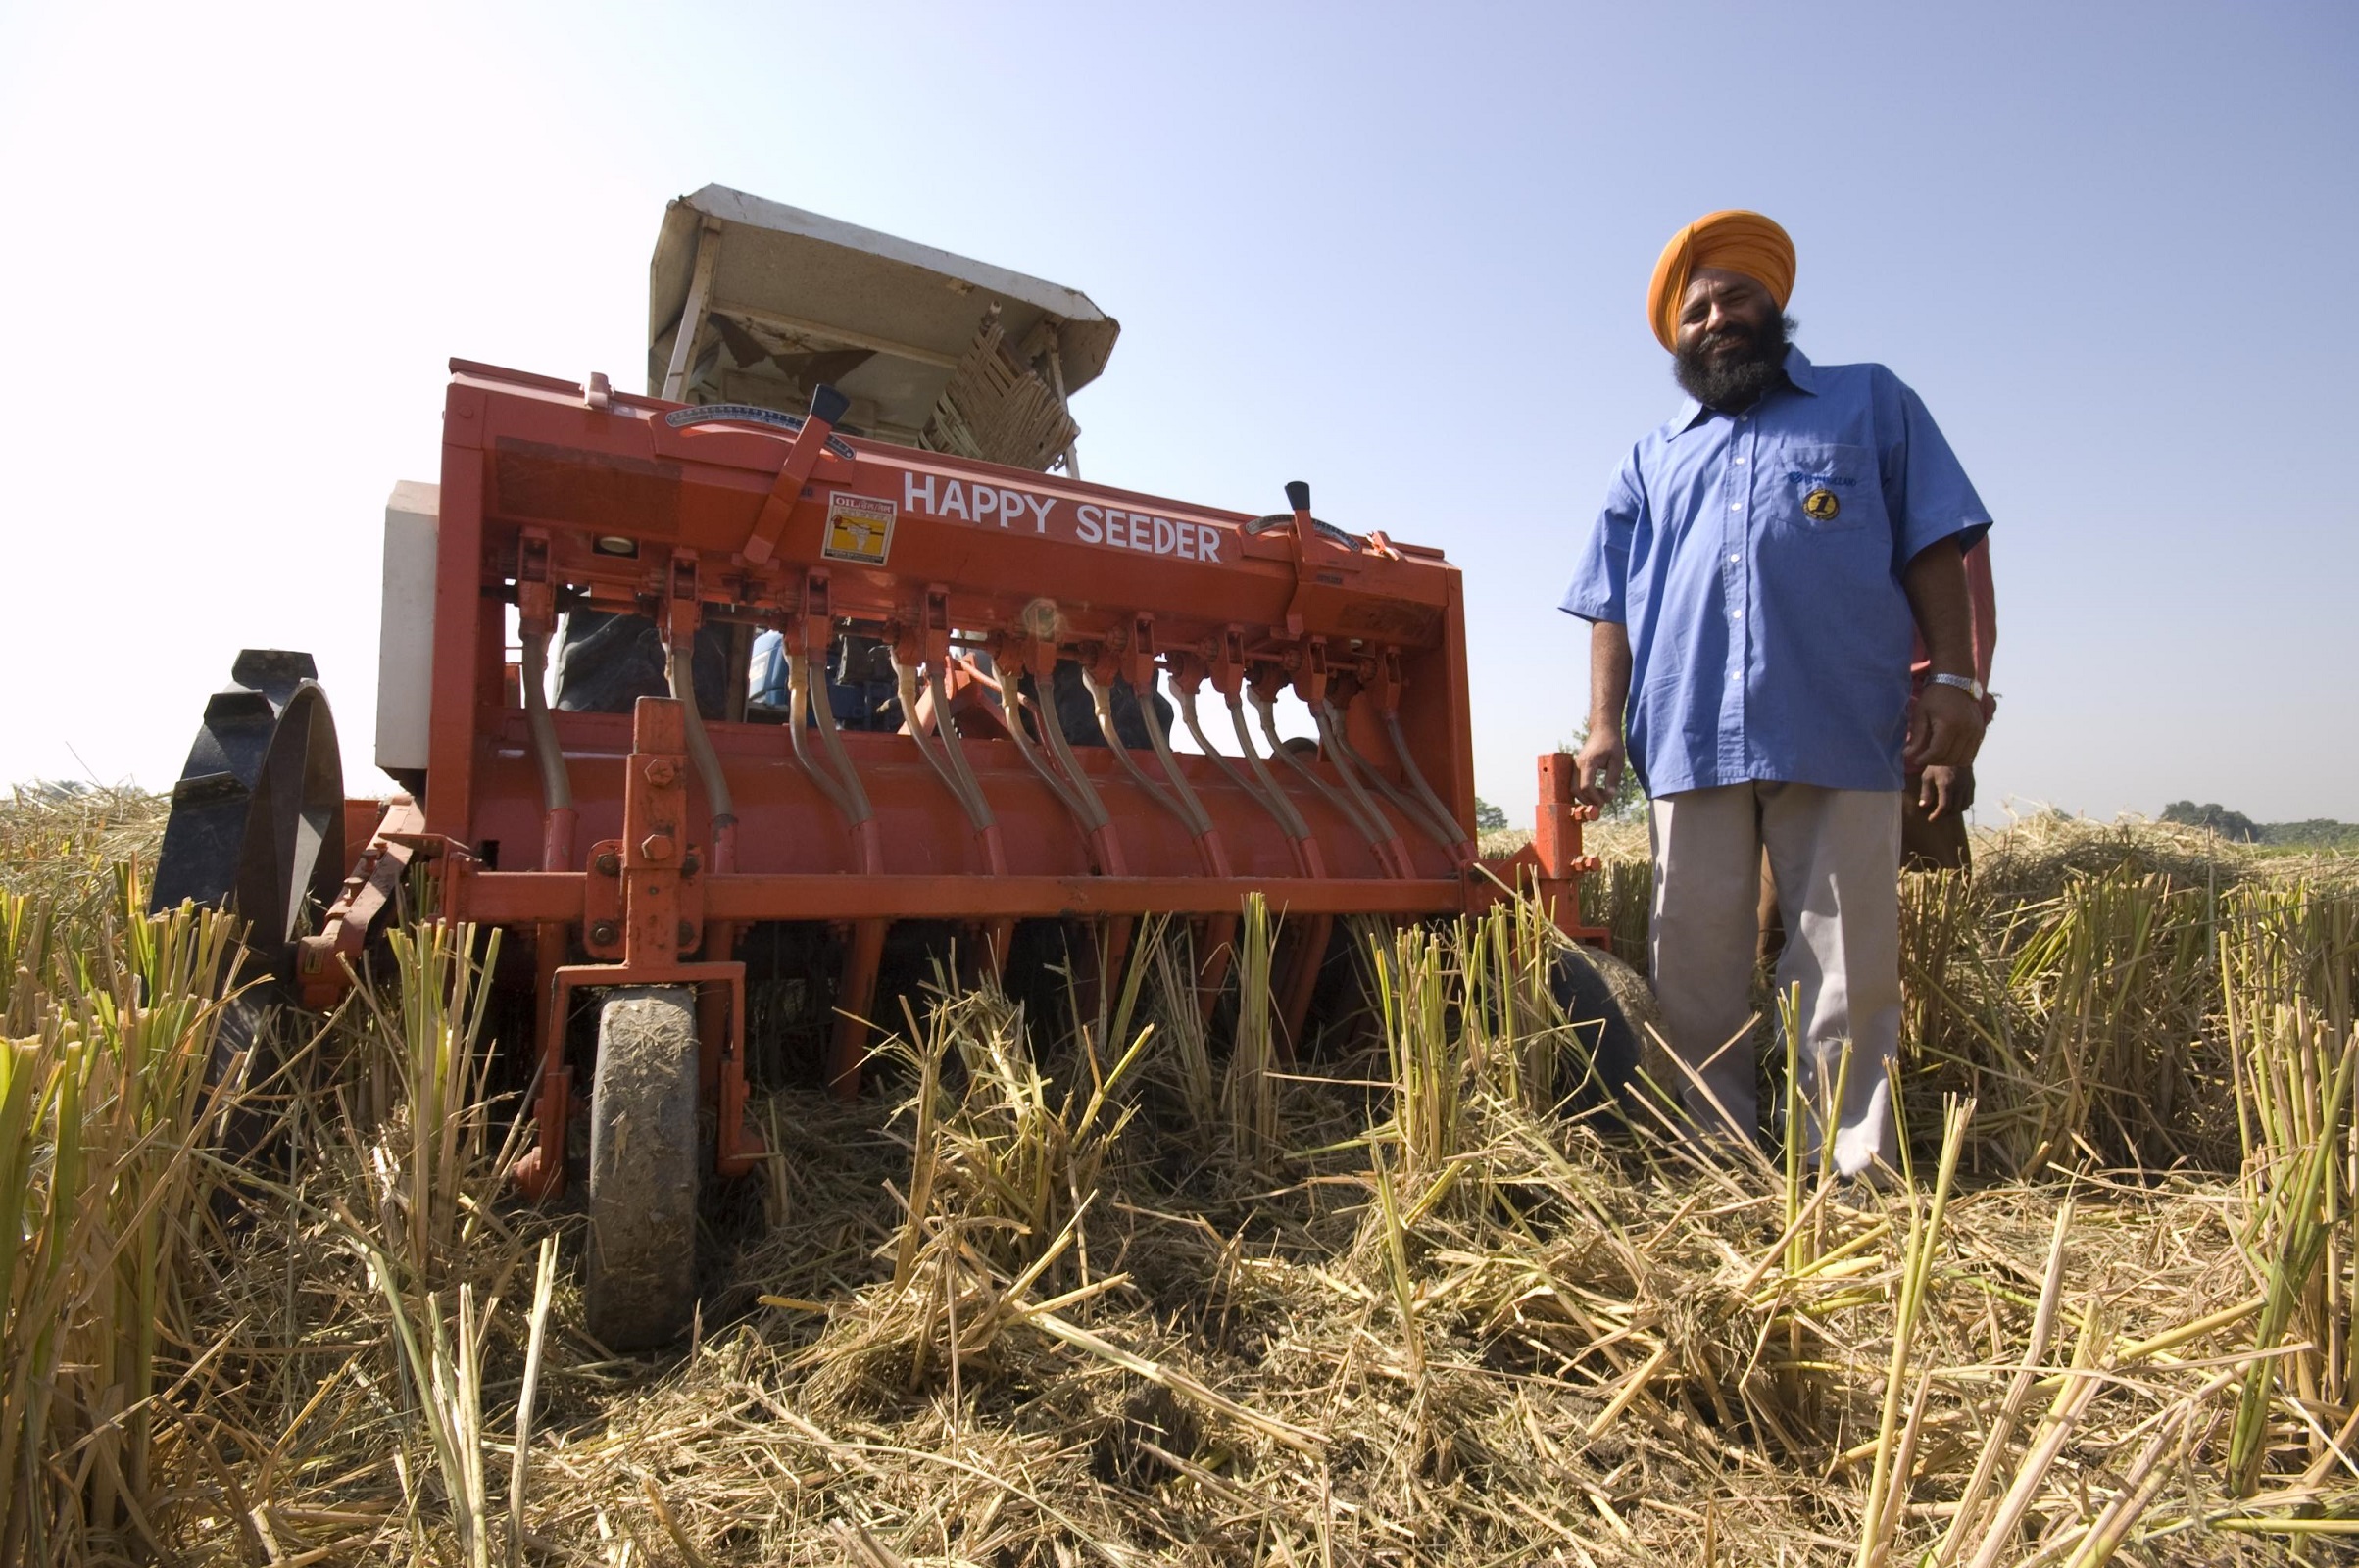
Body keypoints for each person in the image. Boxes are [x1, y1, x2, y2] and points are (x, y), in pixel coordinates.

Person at [1559, 210, 1991, 1176]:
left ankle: (1850, 1180)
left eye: (1734, 296)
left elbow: (1934, 544)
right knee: (1693, 974)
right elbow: (1607, 605)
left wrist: (1957, 680)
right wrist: (1600, 728)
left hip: (1839, 724)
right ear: (1676, 336)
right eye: (1695, 307)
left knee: (1845, 970)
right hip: (1686, 736)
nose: (1715, 316)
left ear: (1774, 303)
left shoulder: (1868, 403)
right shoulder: (1650, 458)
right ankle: (1716, 1169)